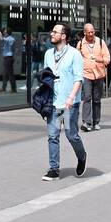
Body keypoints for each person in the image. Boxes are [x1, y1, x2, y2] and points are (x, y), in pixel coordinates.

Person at [41, 22, 87, 182]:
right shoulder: (48, 54)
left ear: (64, 36)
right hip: (53, 102)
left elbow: (78, 78)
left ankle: (82, 156)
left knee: (71, 135)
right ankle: (54, 169)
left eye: (55, 32)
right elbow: (46, 76)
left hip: (69, 103)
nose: (52, 34)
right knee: (52, 135)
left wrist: (71, 97)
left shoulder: (74, 54)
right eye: (52, 31)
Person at [77, 22, 109, 131]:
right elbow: (76, 59)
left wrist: (98, 59)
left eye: (93, 31)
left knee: (96, 99)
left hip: (99, 74)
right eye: (89, 32)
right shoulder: (80, 44)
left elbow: (107, 59)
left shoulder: (100, 42)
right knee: (87, 97)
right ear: (84, 32)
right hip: (86, 74)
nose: (91, 34)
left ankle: (96, 122)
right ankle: (86, 122)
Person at [0, 28, 17, 93]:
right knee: (5, 74)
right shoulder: (7, 38)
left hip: (9, 57)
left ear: (8, 33)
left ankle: (13, 88)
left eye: (5, 32)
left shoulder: (11, 39)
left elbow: (2, 39)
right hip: (6, 57)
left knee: (10, 74)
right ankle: (3, 87)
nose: (4, 33)